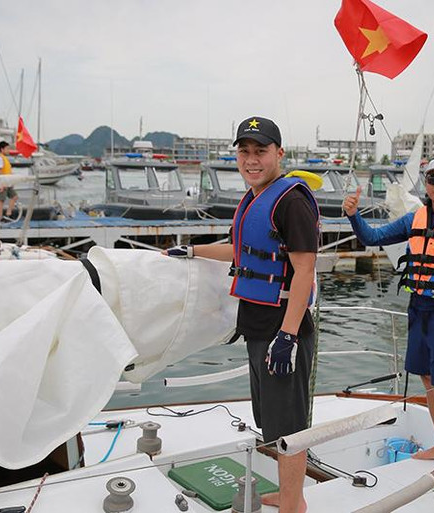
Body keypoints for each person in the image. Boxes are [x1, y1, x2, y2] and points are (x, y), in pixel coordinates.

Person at [164, 116, 318, 513]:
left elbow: (304, 269)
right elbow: (242, 253)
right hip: (256, 321)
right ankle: (288, 495)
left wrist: (287, 337)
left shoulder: (292, 201)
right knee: (271, 419)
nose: (251, 159)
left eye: (260, 151)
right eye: (244, 151)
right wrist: (193, 251)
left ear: (279, 153)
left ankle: (293, 504)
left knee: (289, 425)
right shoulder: (254, 197)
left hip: (284, 326)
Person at [342, 155, 434, 485]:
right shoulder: (416, 217)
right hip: (419, 309)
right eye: (433, 179)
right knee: (428, 380)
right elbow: (371, 237)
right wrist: (353, 215)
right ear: (425, 183)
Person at [0, 140, 18, 222]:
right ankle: (0, 218)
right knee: (1, 200)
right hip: (1, 183)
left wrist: (10, 182)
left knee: (14, 197)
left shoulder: (4, 158)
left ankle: (8, 214)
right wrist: (2, 184)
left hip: (7, 183)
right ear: (2, 149)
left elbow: (6, 171)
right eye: (7, 149)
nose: (8, 150)